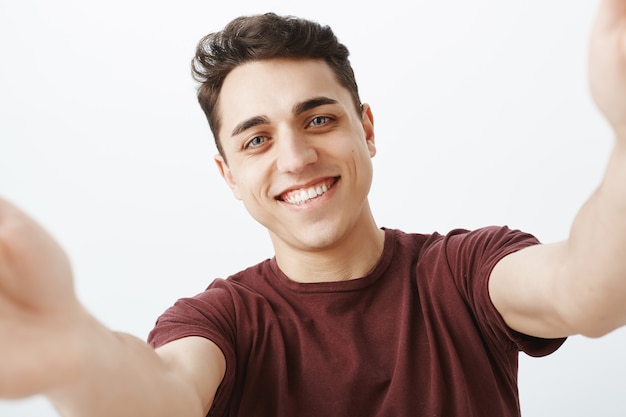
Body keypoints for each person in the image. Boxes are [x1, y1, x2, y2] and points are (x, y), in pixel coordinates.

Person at [1, 1, 625, 416]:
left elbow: (586, 290)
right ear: (229, 176)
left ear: (366, 128)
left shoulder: (464, 273)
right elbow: (163, 396)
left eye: (318, 119)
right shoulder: (224, 322)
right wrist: (72, 351)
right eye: (257, 139)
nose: (296, 158)